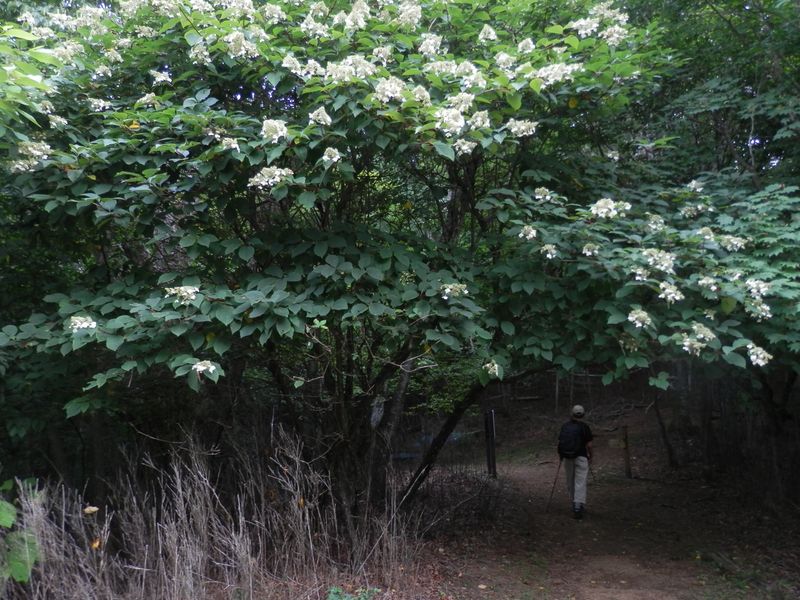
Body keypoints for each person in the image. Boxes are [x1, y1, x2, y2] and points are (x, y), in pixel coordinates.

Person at [557, 404, 593, 519]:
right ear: (583, 415)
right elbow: (589, 445)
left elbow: (560, 442)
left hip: (567, 458)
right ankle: (578, 506)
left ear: (572, 414)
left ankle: (574, 503)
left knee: (570, 481)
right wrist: (591, 456)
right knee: (580, 481)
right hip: (581, 457)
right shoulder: (585, 427)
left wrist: (561, 456)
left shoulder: (565, 426)